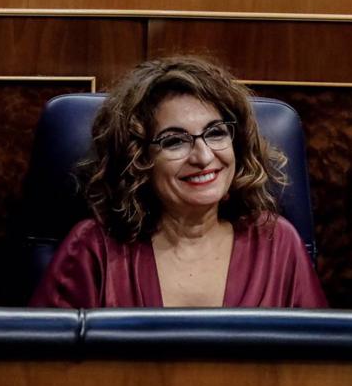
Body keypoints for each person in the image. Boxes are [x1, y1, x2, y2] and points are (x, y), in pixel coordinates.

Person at [29, 56, 328, 308]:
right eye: (174, 141)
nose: (204, 157)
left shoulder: (277, 242)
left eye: (216, 133)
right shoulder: (94, 247)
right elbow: (40, 357)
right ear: (139, 159)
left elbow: (321, 356)